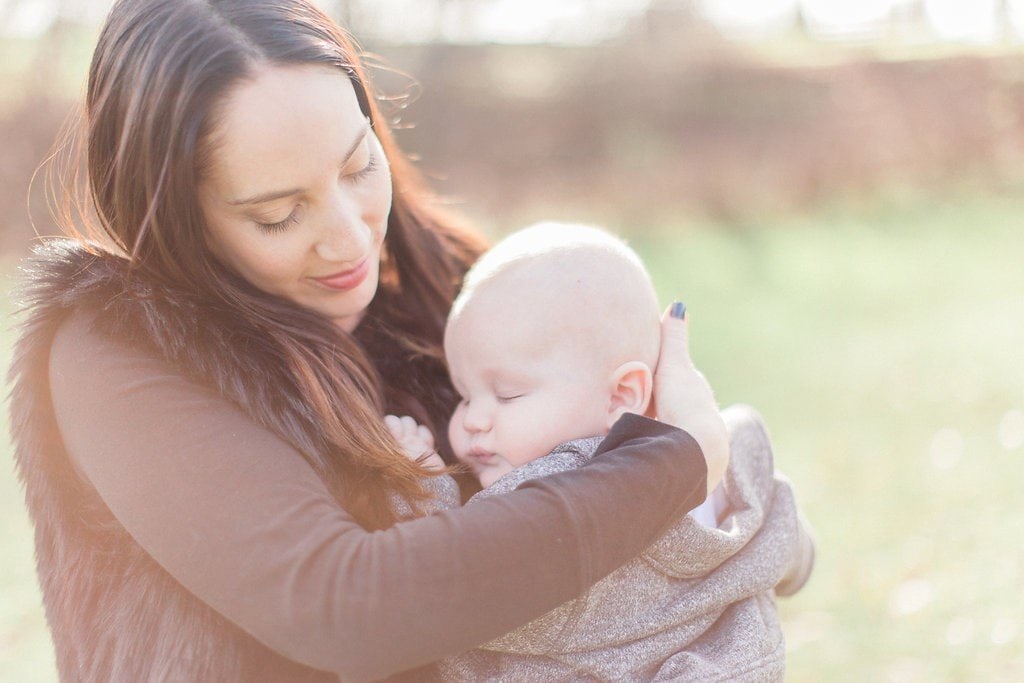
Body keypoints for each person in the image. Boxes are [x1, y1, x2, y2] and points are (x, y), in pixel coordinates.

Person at [6, 1, 731, 681]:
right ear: (172, 216)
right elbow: (345, 605)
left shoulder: (452, 287)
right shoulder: (120, 351)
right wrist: (672, 462)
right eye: (279, 214)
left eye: (358, 166)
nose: (352, 237)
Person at [387, 223, 815, 680]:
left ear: (620, 396)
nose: (473, 419)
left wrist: (419, 486)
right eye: (464, 395)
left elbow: (460, 580)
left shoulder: (551, 485)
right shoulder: (732, 463)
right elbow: (789, 545)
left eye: (507, 394)